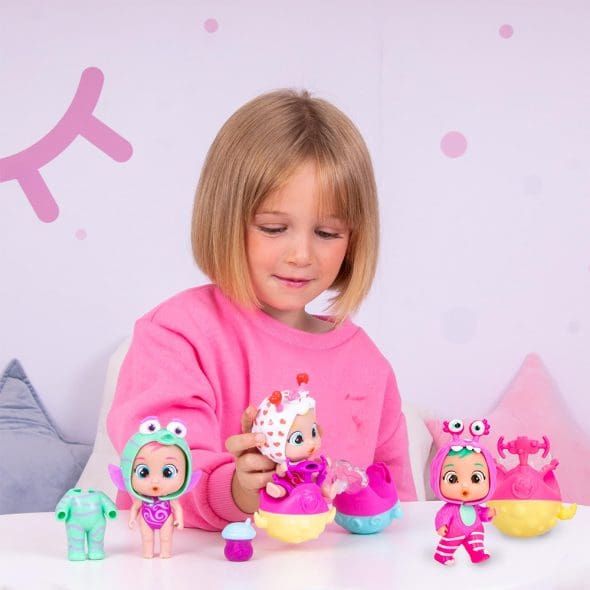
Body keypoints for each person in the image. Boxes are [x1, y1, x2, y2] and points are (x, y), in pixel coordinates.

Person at [107, 89, 417, 532]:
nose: (301, 255)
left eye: (327, 233)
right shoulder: (177, 336)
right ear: (224, 219)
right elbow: (157, 467)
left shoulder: (367, 363)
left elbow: (396, 510)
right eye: (274, 228)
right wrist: (236, 490)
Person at [430, 419, 497, 565]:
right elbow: (443, 515)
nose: (465, 486)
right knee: (449, 542)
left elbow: (480, 513)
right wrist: (441, 525)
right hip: (455, 530)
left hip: (474, 528)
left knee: (477, 537)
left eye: (476, 478)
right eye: (452, 479)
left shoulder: (475, 506)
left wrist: (487, 513)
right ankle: (443, 555)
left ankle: (477, 553)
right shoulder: (450, 508)